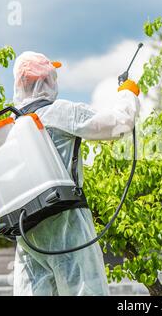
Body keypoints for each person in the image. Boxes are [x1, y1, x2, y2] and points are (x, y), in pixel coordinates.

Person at [11, 51, 140, 296]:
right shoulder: (59, 112)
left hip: (27, 230)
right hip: (66, 224)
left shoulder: (10, 124)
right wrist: (128, 93)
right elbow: (118, 124)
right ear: (47, 81)